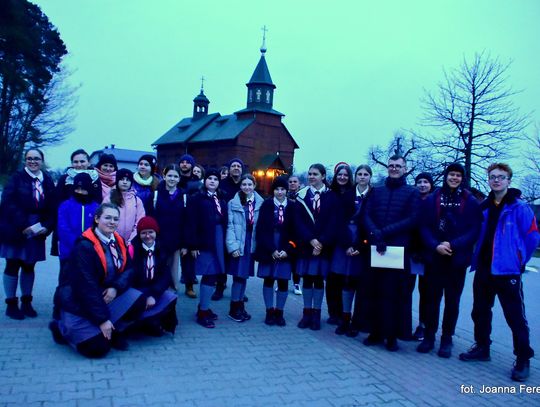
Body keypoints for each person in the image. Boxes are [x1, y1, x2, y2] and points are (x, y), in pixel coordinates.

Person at [459, 163, 539, 382]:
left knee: (515, 317)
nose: (496, 180)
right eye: (493, 177)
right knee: (480, 311)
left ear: (509, 180)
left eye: (501, 177)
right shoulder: (484, 207)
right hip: (484, 269)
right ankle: (482, 347)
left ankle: (523, 358)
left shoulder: (519, 208)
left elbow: (532, 237)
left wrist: (520, 259)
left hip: (507, 271)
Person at [51, 203, 145, 357]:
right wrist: (102, 320)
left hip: (103, 295)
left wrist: (116, 287)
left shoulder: (118, 240)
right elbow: (85, 287)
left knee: (139, 300)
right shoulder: (84, 246)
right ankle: (60, 328)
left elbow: (129, 269)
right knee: (97, 349)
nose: (112, 222)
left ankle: (115, 330)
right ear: (96, 219)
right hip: (78, 301)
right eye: (107, 217)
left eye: (115, 219)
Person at [416, 163, 482, 358]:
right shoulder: (433, 198)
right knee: (431, 300)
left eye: (458, 175)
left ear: (462, 178)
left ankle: (447, 339)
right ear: (445, 176)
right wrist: (435, 245)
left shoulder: (469, 200)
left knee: (452, 301)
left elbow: (474, 229)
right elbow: (424, 226)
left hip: (457, 259)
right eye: (451, 174)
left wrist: (452, 244)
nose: (454, 178)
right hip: (435, 257)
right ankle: (429, 336)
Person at [362, 155, 419, 351]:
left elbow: (412, 219)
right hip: (376, 247)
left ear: (405, 169)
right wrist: (375, 233)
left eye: (398, 166)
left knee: (395, 294)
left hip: (398, 249)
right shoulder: (376, 191)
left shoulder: (412, 193)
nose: (394, 168)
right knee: (373, 291)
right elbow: (366, 214)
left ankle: (392, 335)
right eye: (391, 165)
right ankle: (374, 331)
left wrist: (384, 232)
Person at [0, 148, 55, 319]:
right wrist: (23, 225)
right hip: (15, 228)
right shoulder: (17, 178)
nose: (33, 161)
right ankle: (11, 304)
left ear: (42, 161)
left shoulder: (47, 180)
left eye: (36, 158)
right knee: (12, 265)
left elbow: (52, 207)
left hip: (37, 229)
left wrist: (47, 226)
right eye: (29, 158)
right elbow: (8, 203)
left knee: (29, 265)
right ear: (25, 160)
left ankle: (26, 302)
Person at [294, 163, 338, 330]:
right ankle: (306, 313)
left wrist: (321, 242)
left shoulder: (331, 197)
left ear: (323, 176)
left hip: (323, 246)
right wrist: (311, 240)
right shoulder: (301, 196)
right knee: (307, 279)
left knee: (319, 280)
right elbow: (298, 222)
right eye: (310, 174)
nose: (312, 177)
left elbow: (333, 222)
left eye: (315, 174)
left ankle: (317, 314)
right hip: (307, 245)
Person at [187, 169, 228, 328]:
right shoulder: (197, 198)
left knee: (214, 274)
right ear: (204, 180)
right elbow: (191, 223)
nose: (212, 181)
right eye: (209, 178)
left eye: (215, 179)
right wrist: (194, 244)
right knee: (209, 274)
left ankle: (203, 306)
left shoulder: (221, 199)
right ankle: (202, 312)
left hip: (218, 239)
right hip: (204, 241)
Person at [337, 164, 372, 337]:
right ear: (355, 176)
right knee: (347, 282)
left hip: (363, 247)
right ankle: (344, 318)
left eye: (366, 174)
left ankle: (358, 321)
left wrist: (361, 245)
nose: (362, 177)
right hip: (347, 243)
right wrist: (347, 245)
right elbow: (339, 221)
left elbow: (374, 223)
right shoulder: (347, 195)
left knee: (361, 284)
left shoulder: (374, 196)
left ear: (370, 177)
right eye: (360, 174)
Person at [255, 176, 296, 326]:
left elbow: (295, 231)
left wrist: (288, 249)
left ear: (287, 190)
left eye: (282, 189)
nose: (279, 192)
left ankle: (279, 312)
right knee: (269, 279)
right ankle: (269, 311)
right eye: (277, 189)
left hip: (285, 247)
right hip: (269, 246)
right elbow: (261, 230)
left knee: (283, 281)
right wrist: (271, 249)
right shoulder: (267, 205)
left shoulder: (292, 206)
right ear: (273, 190)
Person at [130, 216, 178, 336]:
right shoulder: (132, 249)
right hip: (138, 290)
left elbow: (165, 276)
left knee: (170, 297)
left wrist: (154, 294)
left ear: (156, 232)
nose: (147, 236)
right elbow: (131, 277)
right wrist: (145, 296)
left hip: (155, 288)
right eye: (143, 233)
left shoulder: (162, 248)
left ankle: (159, 323)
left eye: (150, 232)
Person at [226, 174, 263, 322]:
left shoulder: (260, 203)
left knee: (244, 276)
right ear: (240, 186)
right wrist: (233, 246)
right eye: (244, 185)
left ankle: (240, 304)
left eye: (250, 184)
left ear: (254, 185)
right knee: (238, 276)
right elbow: (229, 226)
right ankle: (234, 307)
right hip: (239, 242)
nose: (247, 187)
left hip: (250, 244)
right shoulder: (233, 203)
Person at [153, 164, 191, 296]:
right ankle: (158, 293)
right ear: (164, 176)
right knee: (159, 268)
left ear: (179, 179)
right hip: (158, 240)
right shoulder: (156, 195)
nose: (172, 179)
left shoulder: (184, 196)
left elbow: (187, 222)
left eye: (175, 176)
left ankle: (171, 296)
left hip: (176, 241)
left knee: (174, 272)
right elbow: (151, 217)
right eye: (169, 175)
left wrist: (185, 244)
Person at [326, 163, 355, 326]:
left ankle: (345, 312)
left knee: (347, 279)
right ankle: (333, 311)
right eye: (339, 175)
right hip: (333, 241)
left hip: (348, 240)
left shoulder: (352, 194)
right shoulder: (330, 195)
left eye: (345, 175)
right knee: (333, 280)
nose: (342, 177)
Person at [212, 158, 245, 300]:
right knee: (223, 258)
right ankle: (220, 287)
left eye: (239, 166)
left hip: (241, 228)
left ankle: (238, 292)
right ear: (229, 169)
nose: (236, 168)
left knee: (239, 259)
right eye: (233, 166)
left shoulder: (245, 185)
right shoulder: (222, 184)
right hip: (225, 226)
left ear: (242, 169)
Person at [410, 172, 435, 341]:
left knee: (427, 293)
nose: (422, 185)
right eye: (419, 182)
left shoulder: (436, 203)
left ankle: (424, 325)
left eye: (426, 182)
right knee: (406, 290)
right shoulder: (411, 201)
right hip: (411, 253)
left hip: (429, 255)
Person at [104, 169, 145, 246]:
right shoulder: (109, 199)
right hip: (111, 241)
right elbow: (104, 219)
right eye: (122, 179)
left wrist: (131, 240)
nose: (125, 182)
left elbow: (139, 222)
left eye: (128, 180)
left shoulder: (136, 201)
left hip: (131, 243)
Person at [287, 174, 302, 295]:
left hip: (298, 233)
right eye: (290, 182)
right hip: (287, 232)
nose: (292, 183)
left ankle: (296, 283)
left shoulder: (302, 197)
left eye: (295, 182)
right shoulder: (283, 195)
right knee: (286, 259)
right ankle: (283, 283)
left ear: (299, 184)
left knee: (296, 260)